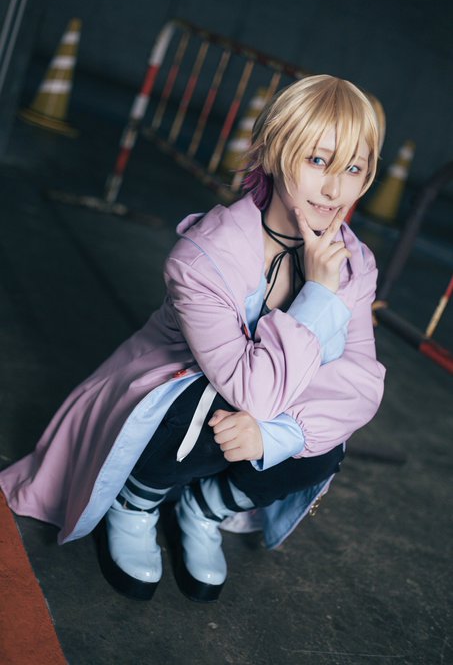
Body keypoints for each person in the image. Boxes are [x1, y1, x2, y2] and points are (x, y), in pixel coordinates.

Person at [0, 75, 385, 603]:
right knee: (211, 394)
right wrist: (317, 293)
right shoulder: (204, 256)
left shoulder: (355, 262)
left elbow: (361, 383)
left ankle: (205, 507)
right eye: (318, 160)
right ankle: (137, 499)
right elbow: (249, 391)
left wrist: (278, 437)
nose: (334, 189)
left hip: (248, 424)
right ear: (275, 151)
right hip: (175, 405)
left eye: (354, 169)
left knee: (323, 441)